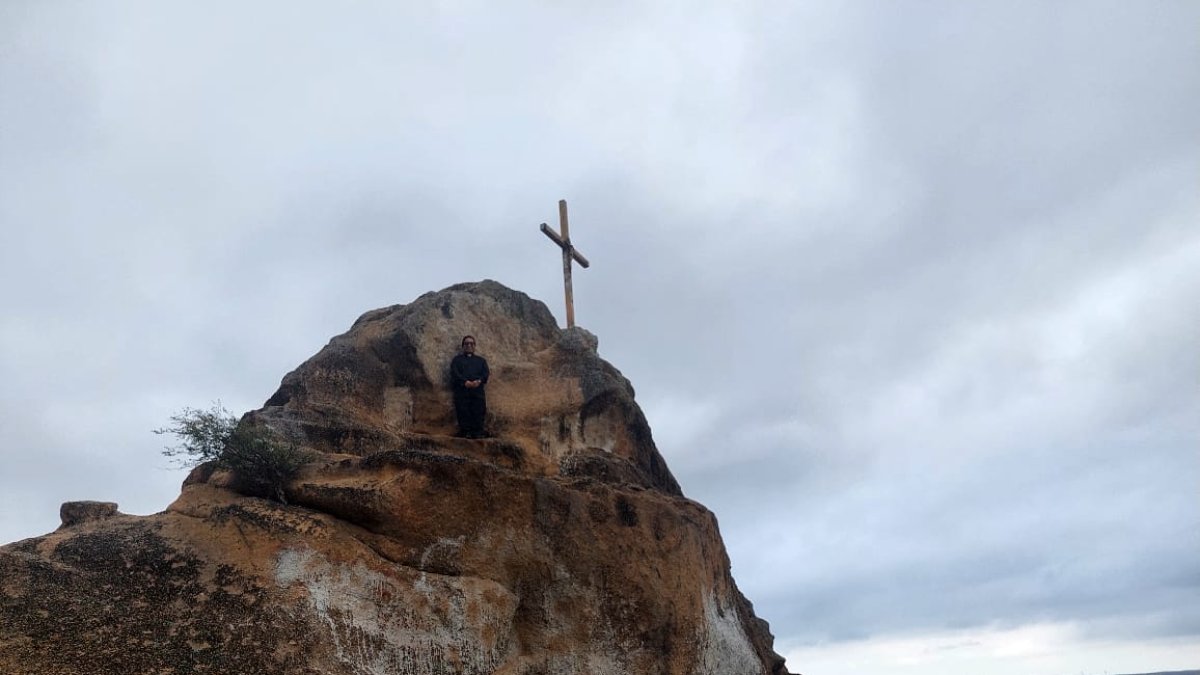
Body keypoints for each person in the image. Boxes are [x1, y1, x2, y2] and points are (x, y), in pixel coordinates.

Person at [450, 335, 489, 438]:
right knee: (463, 410)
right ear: (463, 346)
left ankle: (478, 432)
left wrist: (479, 381)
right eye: (466, 343)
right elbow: (454, 373)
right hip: (462, 390)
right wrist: (464, 382)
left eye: (471, 343)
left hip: (477, 391)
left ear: (474, 346)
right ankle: (465, 432)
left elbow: (485, 373)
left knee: (479, 410)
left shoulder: (481, 361)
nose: (469, 345)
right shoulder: (457, 360)